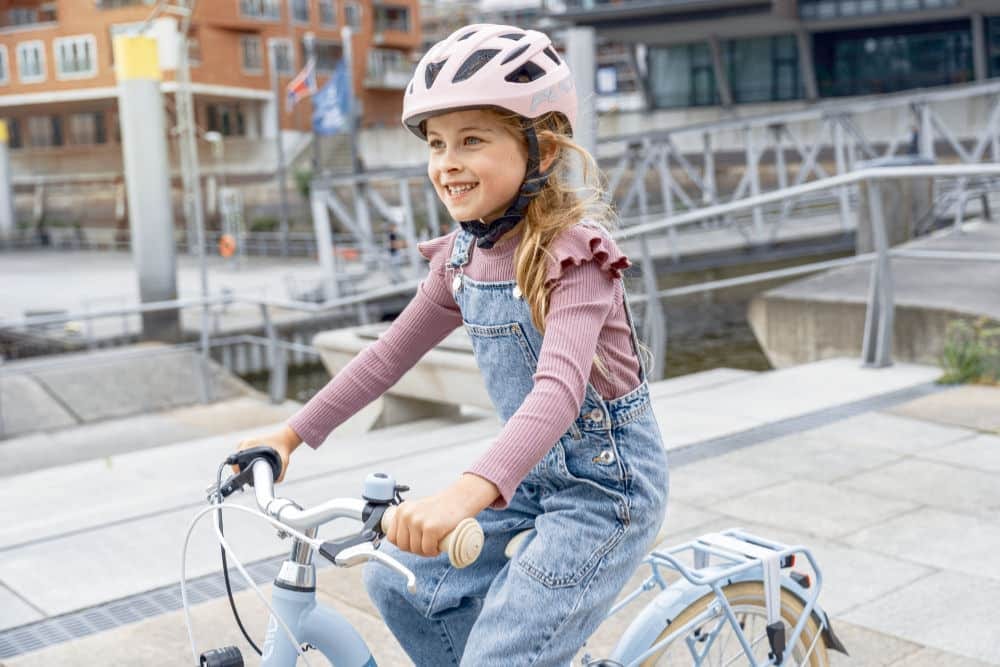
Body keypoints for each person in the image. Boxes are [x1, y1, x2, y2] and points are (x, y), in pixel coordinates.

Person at [233, 23, 669, 665]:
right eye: (436, 144)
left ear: (542, 149)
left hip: (606, 490)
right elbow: (387, 357)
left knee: (504, 650)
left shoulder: (575, 255)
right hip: (527, 478)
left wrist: (464, 493)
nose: (447, 162)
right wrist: (290, 435)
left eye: (471, 140)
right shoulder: (462, 258)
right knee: (400, 581)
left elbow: (557, 393)